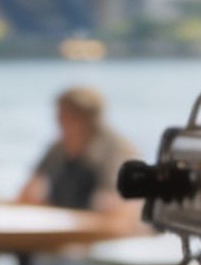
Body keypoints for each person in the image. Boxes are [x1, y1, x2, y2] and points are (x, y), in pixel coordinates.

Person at [20, 85, 140, 217]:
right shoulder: (59, 148)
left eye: (68, 117)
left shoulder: (118, 151)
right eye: (60, 116)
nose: (61, 122)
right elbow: (28, 190)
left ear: (89, 119)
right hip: (64, 224)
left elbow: (120, 206)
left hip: (101, 229)